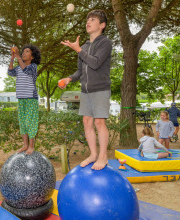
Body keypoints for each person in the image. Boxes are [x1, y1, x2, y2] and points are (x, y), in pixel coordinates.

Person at [58, 10, 112, 170]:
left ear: (102, 25)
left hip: (100, 89)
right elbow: (80, 71)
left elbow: (95, 63)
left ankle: (103, 156)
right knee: (87, 121)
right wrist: (69, 79)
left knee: (99, 122)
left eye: (93, 19)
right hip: (85, 91)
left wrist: (78, 50)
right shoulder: (85, 46)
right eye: (88, 19)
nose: (88, 22)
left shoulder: (105, 43)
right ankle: (94, 154)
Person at [8, 44, 41, 155]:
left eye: (27, 51)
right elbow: (10, 72)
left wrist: (18, 56)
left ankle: (31, 146)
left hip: (31, 99)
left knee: (30, 122)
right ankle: (25, 145)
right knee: (23, 123)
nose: (23, 53)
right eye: (23, 51)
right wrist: (13, 58)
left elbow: (26, 70)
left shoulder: (33, 66)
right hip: (21, 99)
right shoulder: (18, 68)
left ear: (32, 57)